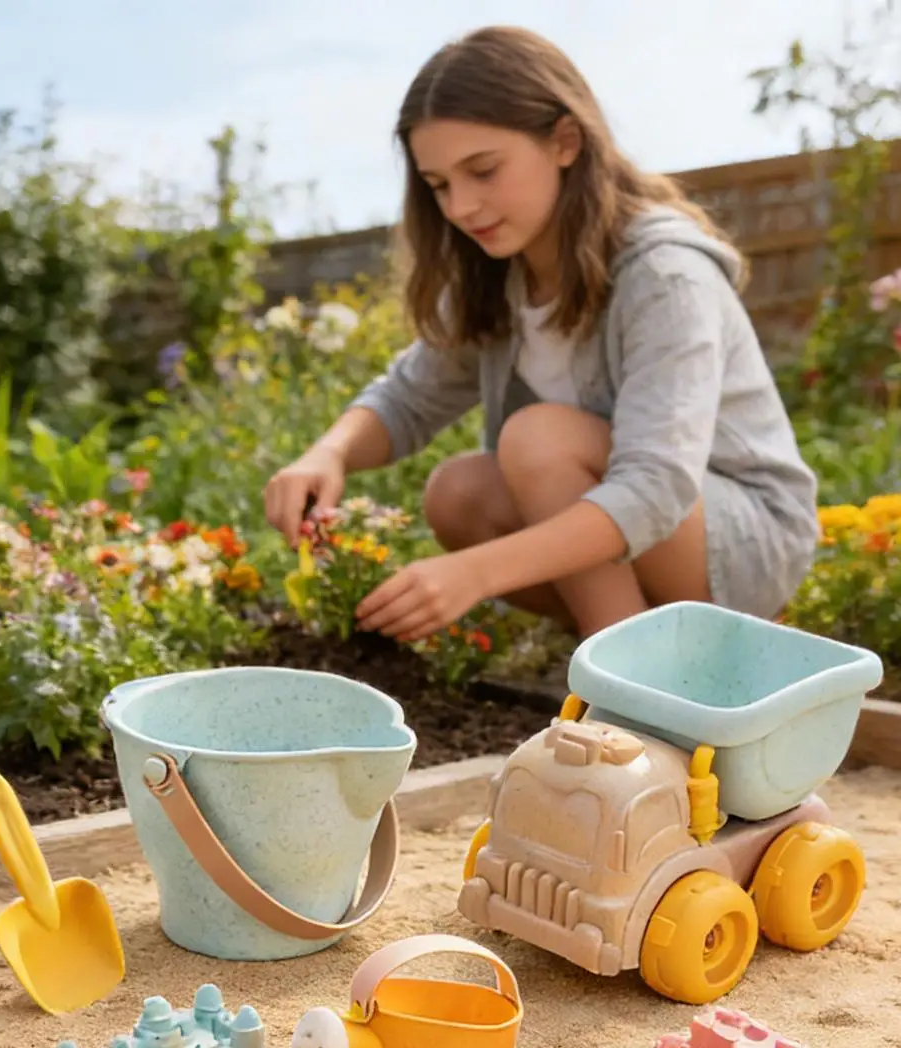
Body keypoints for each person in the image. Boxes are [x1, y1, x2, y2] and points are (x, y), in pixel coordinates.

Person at [263, 25, 818, 644]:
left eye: (483, 171)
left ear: (565, 141)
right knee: (458, 494)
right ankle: (643, 646)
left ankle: (629, 675)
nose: (461, 207)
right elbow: (407, 398)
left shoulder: (665, 274)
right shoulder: (498, 277)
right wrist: (329, 453)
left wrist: (475, 573)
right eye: (440, 185)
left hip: (743, 545)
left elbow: (655, 488)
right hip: (650, 537)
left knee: (537, 439)